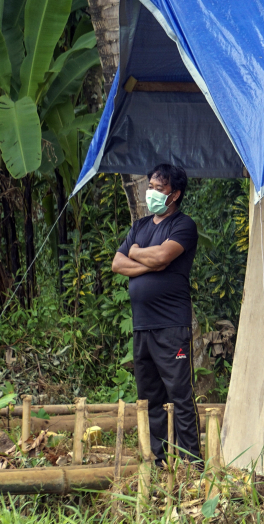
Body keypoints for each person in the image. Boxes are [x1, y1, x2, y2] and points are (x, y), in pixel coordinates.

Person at [111, 164, 201, 466]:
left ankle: (191, 461)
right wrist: (148, 261)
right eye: (150, 185)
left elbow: (164, 256)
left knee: (179, 393)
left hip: (171, 326)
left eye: (158, 188)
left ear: (174, 194)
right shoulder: (140, 227)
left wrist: (136, 253)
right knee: (150, 396)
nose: (151, 192)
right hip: (143, 326)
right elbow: (117, 264)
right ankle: (159, 460)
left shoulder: (183, 225)